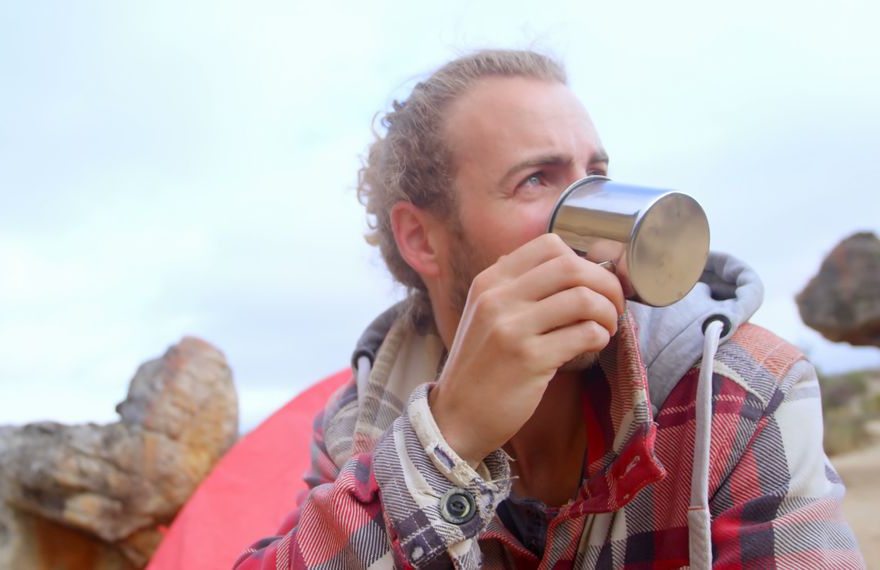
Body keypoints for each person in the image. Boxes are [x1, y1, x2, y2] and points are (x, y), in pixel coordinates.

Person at [236, 49, 864, 568]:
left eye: (597, 173)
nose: (598, 213)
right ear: (421, 238)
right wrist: (444, 442)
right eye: (536, 178)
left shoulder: (737, 393)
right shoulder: (361, 423)